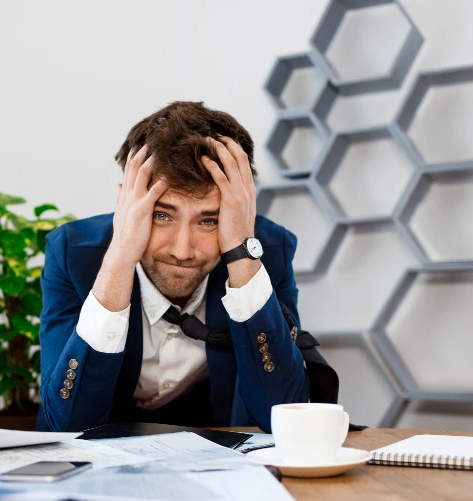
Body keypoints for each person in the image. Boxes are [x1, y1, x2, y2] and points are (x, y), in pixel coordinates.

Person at [36, 101, 309, 433]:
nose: (182, 251)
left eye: (208, 220)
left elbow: (283, 416)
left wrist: (242, 256)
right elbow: (65, 426)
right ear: (127, 204)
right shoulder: (73, 254)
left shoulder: (269, 252)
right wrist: (119, 259)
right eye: (161, 215)